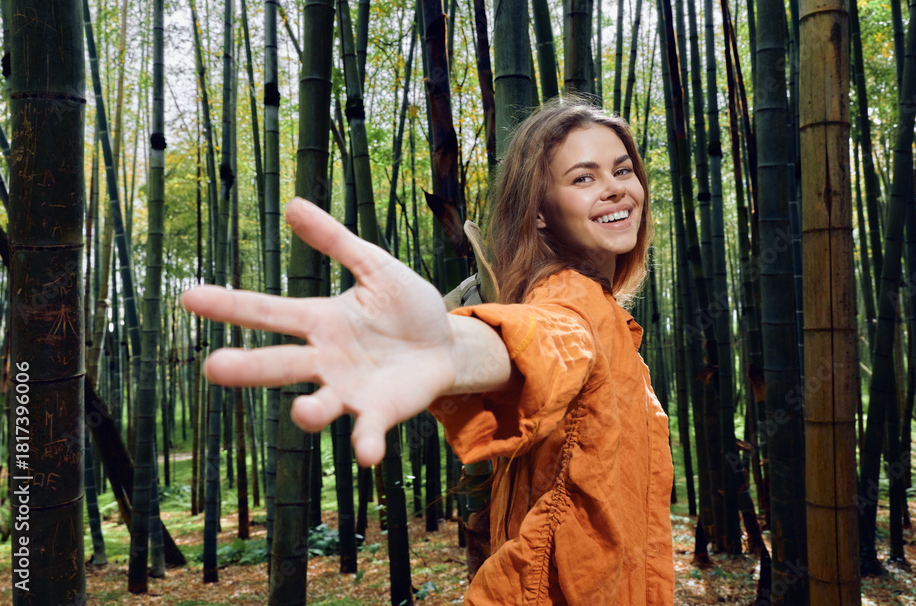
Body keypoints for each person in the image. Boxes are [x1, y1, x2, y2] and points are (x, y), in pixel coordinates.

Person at [182, 98, 675, 604]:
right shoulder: (573, 303)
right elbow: (547, 340)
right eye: (583, 178)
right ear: (540, 212)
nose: (615, 186)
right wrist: (446, 348)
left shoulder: (608, 313)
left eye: (622, 169)